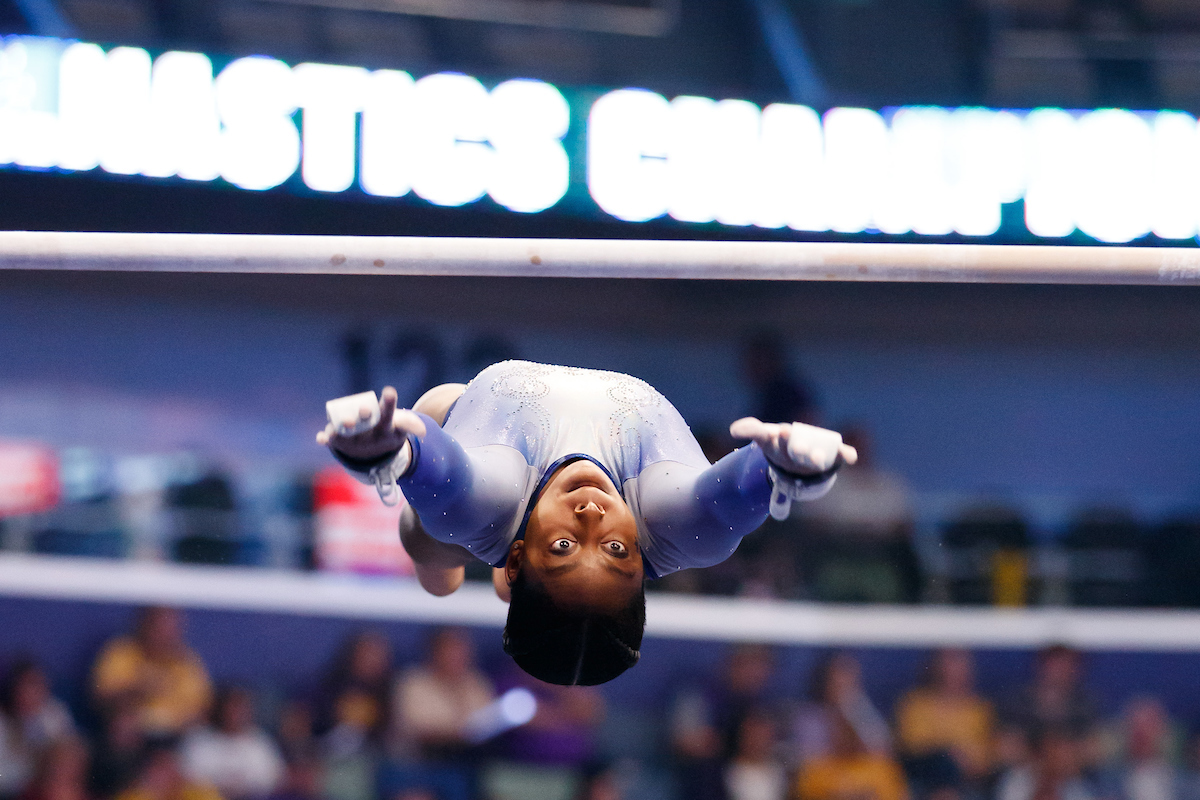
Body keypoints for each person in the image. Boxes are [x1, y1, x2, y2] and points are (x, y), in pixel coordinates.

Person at [318, 361, 855, 686]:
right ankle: (515, 579)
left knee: (432, 527)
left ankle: (460, 568)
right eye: (618, 550)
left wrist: (387, 450)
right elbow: (736, 495)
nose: (593, 516)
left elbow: (433, 463)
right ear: (644, 564)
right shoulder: (676, 522)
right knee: (446, 518)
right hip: (513, 543)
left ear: (520, 552)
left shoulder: (487, 499)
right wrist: (788, 468)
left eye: (563, 545)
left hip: (472, 465)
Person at [91, 607, 213, 737]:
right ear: (143, 626)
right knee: (121, 725)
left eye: (169, 631)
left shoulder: (187, 661)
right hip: (134, 732)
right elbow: (100, 698)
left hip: (175, 735)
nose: (163, 637)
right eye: (158, 630)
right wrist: (136, 692)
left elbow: (201, 708)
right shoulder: (121, 652)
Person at [390, 627, 494, 761]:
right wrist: (459, 733)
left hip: (470, 761)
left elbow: (486, 727)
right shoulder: (413, 682)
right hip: (418, 760)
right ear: (434, 652)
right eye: (450, 650)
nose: (456, 656)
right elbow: (416, 729)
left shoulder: (477, 683)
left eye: (460, 650)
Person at [895, 649, 994, 786]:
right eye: (948, 659)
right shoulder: (915, 703)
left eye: (959, 659)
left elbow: (985, 759)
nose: (952, 667)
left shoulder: (980, 709)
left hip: (969, 784)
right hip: (925, 781)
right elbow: (913, 748)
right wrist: (948, 753)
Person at [179, 687, 285, 799]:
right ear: (220, 709)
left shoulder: (260, 742)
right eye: (232, 707)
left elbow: (275, 780)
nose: (237, 714)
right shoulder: (198, 740)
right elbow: (187, 780)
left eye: (242, 708)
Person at [0, 659, 76, 800]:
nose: (36, 691)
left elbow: (69, 757)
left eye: (40, 684)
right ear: (12, 688)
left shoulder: (55, 712)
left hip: (46, 787)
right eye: (29, 685)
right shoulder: (2, 721)